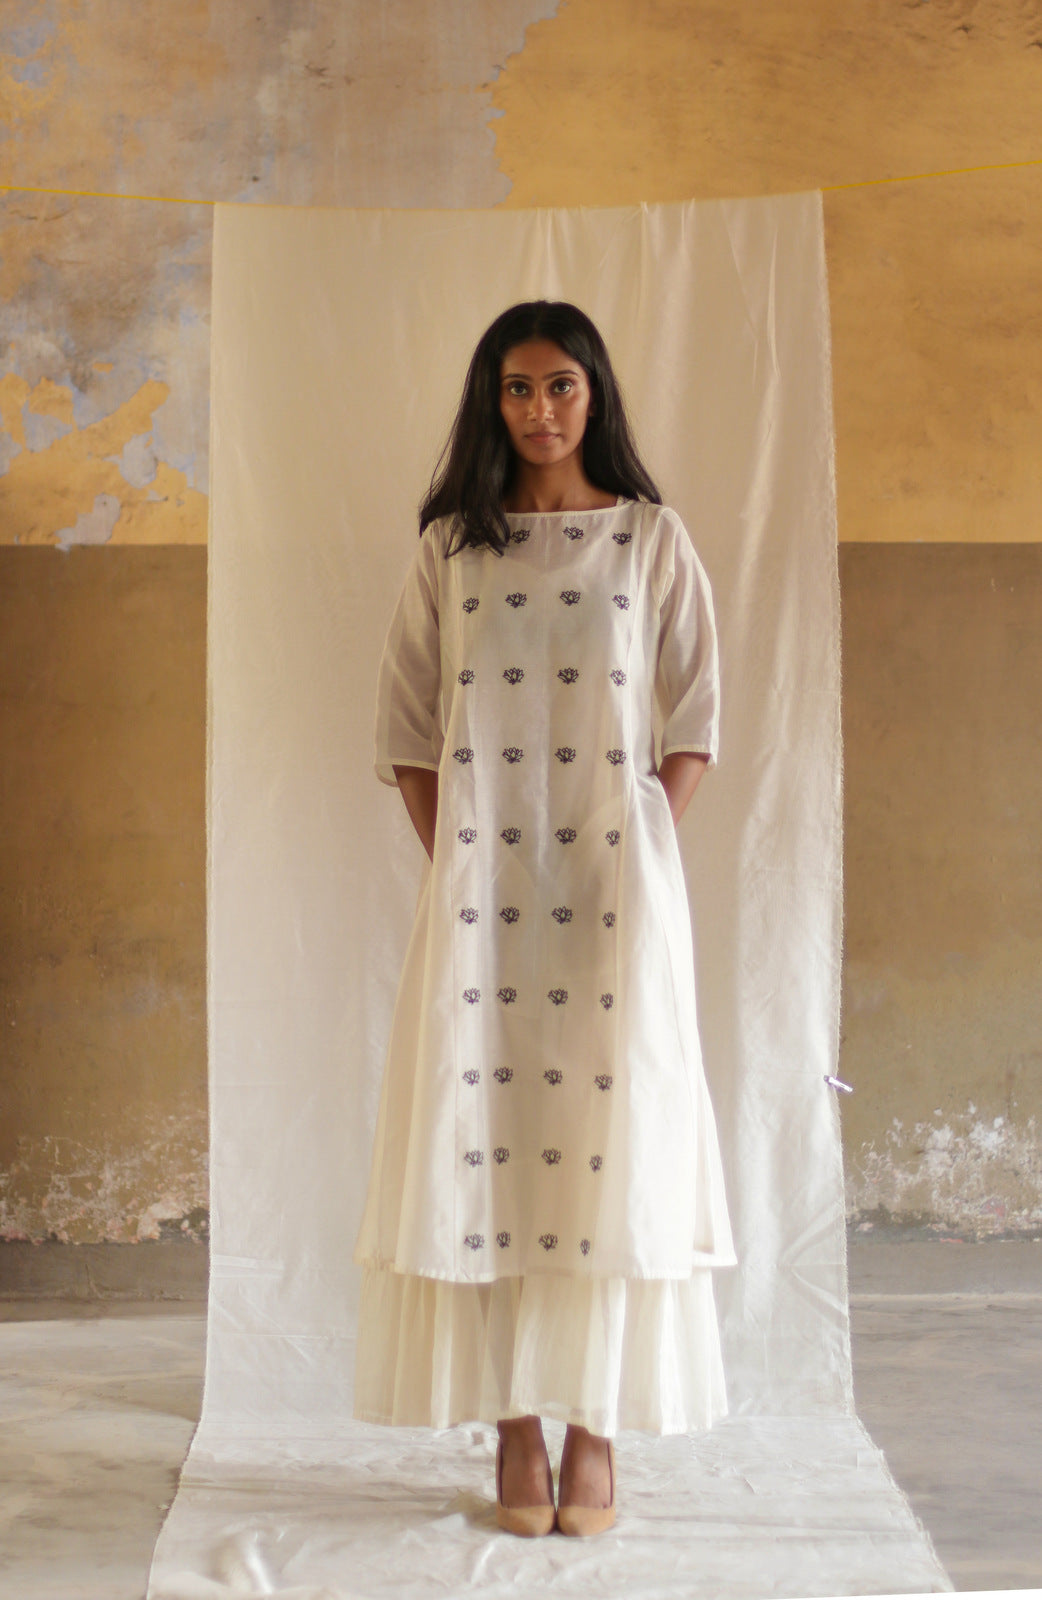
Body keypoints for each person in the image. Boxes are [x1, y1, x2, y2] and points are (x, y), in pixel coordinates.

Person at [353, 300, 735, 1537]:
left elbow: (695, 714)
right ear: (491, 401)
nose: (537, 410)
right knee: (492, 1139)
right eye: (515, 388)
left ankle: (595, 1430)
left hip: (617, 896)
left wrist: (642, 844)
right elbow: (408, 728)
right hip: (484, 912)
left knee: (611, 1138)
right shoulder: (449, 550)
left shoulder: (649, 539)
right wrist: (462, 864)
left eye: (559, 385)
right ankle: (515, 1427)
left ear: (594, 394)